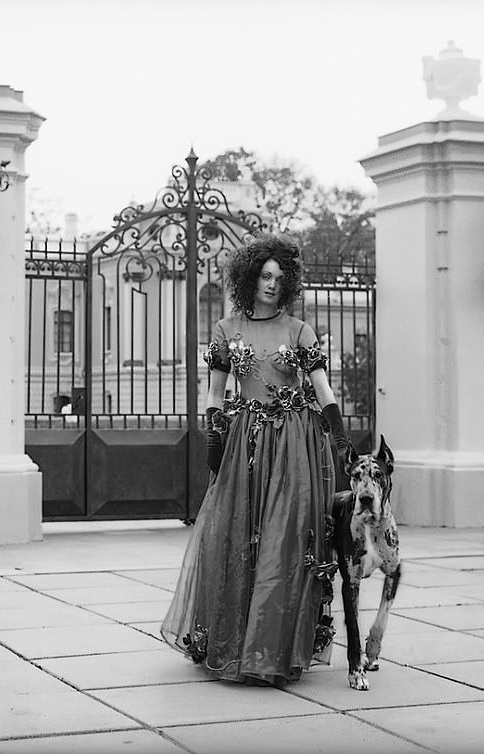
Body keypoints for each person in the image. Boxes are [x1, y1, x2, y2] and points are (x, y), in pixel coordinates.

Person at [160, 232, 352, 686]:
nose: (272, 284)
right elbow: (214, 393)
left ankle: (273, 651)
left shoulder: (299, 330)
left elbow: (322, 387)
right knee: (236, 536)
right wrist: (214, 436)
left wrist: (338, 432)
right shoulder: (226, 329)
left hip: (293, 447)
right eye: (265, 276)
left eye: (280, 278)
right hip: (244, 445)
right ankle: (232, 644)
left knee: (284, 543)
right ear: (250, 277)